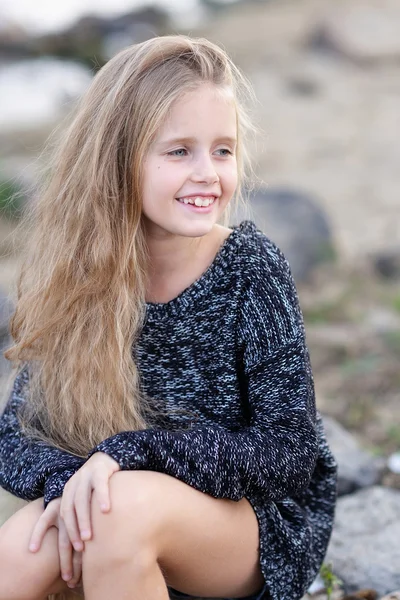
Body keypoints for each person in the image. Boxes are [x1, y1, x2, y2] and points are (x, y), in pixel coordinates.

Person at [0, 35, 337, 600]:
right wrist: (70, 482)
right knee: (18, 551)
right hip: (122, 507)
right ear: (117, 161)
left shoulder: (250, 270)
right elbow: (14, 436)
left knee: (117, 513)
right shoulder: (82, 277)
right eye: (179, 151)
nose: (208, 172)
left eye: (222, 150)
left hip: (253, 526)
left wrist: (129, 455)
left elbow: (289, 451)